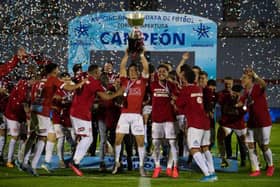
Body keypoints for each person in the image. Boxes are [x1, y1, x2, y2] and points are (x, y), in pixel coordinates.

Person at [28, 63, 86, 175]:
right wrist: (81, 83)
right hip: (44, 112)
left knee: (48, 136)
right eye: (57, 69)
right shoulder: (53, 79)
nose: (59, 70)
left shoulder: (40, 81)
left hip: (36, 109)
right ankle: (31, 163)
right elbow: (69, 88)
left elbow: (32, 96)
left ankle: (42, 162)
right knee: (42, 138)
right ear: (54, 70)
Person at [69, 64, 122, 176]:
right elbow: (106, 97)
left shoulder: (83, 76)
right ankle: (75, 161)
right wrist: (118, 92)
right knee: (88, 138)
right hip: (81, 113)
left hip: (75, 111)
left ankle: (75, 161)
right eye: (99, 71)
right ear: (95, 73)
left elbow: (74, 80)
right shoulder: (94, 82)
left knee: (86, 138)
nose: (100, 73)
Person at [175, 65, 217, 182]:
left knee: (193, 149)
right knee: (205, 148)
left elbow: (179, 104)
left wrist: (174, 98)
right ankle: (212, 172)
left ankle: (207, 174)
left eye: (182, 77)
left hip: (195, 123)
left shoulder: (185, 90)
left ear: (184, 78)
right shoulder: (198, 88)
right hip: (205, 123)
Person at [112, 49, 149, 177]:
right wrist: (126, 55)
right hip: (124, 115)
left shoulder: (142, 82)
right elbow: (122, 66)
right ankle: (117, 163)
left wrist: (142, 55)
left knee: (140, 141)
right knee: (117, 140)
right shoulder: (124, 81)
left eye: (134, 71)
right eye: (130, 71)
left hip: (137, 116)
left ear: (138, 72)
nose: (132, 72)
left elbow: (146, 67)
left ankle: (141, 166)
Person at [241, 68, 274, 177]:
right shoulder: (245, 92)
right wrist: (239, 104)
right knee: (250, 145)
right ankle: (256, 169)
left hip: (263, 122)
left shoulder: (257, 87)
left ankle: (270, 166)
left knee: (263, 146)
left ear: (250, 79)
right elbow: (241, 102)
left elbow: (264, 84)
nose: (242, 80)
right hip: (252, 122)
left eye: (244, 78)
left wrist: (255, 75)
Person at [150, 64, 178, 178]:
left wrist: (174, 99)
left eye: (164, 71)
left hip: (169, 118)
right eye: (159, 71)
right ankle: (157, 167)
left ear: (168, 73)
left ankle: (171, 167)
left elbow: (176, 98)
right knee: (156, 143)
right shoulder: (152, 84)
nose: (161, 73)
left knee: (172, 143)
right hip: (156, 119)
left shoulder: (172, 85)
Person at [217, 84, 247, 167]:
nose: (234, 95)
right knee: (220, 136)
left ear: (240, 94)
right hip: (227, 123)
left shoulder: (243, 101)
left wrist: (236, 107)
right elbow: (219, 102)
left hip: (239, 124)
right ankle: (223, 159)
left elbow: (241, 113)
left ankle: (248, 160)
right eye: (233, 93)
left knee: (245, 144)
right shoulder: (225, 97)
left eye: (236, 94)